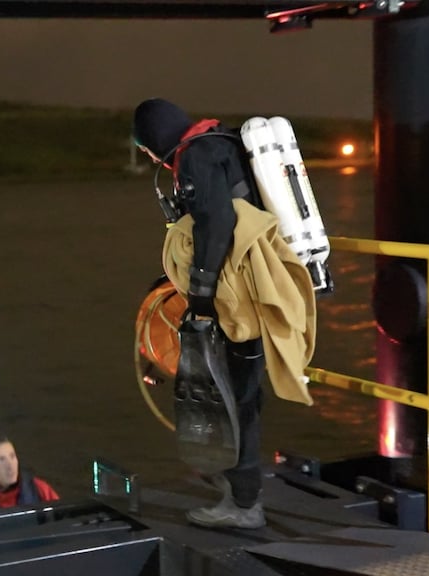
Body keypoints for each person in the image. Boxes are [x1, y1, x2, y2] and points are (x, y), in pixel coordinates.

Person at [132, 98, 315, 530]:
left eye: (146, 148)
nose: (148, 156)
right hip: (258, 283)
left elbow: (215, 226)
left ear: (155, 138)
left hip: (239, 296)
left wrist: (199, 296)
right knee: (242, 390)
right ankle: (237, 484)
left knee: (236, 396)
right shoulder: (224, 141)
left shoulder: (196, 157)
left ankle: (244, 503)